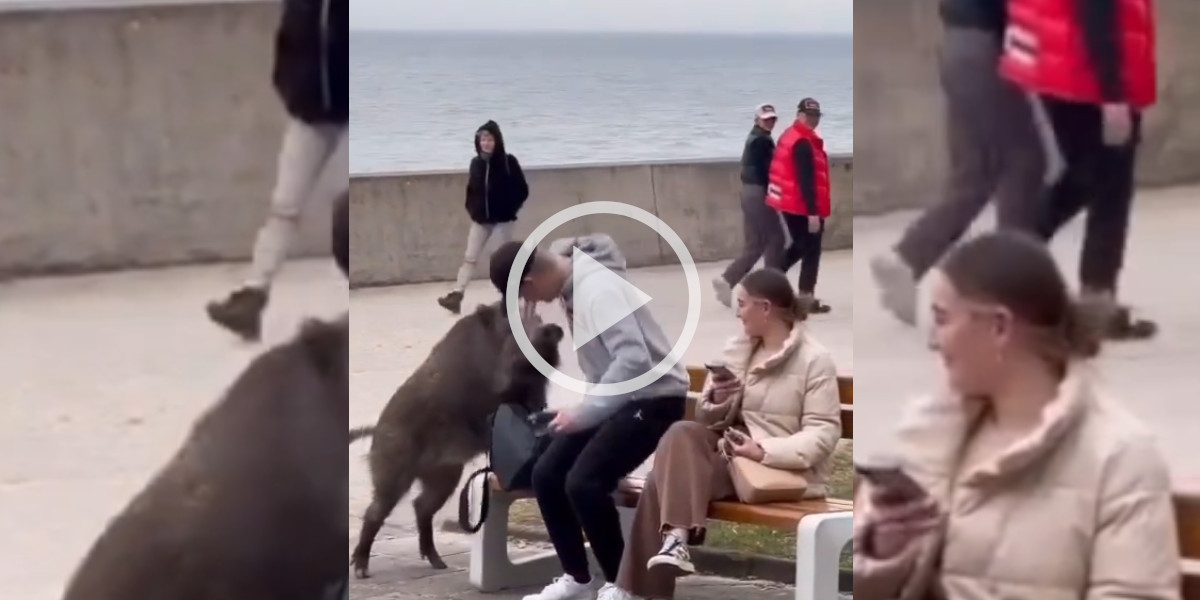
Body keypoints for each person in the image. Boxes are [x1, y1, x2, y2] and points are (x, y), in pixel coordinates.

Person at [854, 231, 1180, 599]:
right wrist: (887, 551)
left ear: (999, 327)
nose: (933, 340)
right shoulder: (928, 434)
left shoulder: (1121, 456)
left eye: (942, 319)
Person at [606, 268, 842, 600]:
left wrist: (761, 450)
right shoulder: (739, 349)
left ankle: (642, 586)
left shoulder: (814, 360)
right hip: (732, 458)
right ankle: (674, 543)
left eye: (742, 303)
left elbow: (823, 433)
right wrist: (719, 398)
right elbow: (707, 419)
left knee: (663, 476)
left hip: (778, 469)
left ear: (765, 308)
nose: (736, 312)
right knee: (681, 432)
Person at [487, 234, 690, 600]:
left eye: (524, 294)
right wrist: (583, 411)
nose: (530, 303)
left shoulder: (596, 289)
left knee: (584, 482)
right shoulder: (571, 281)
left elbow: (634, 362)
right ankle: (578, 579)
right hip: (619, 400)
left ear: (530, 281)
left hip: (655, 399)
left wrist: (586, 412)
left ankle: (625, 586)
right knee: (546, 473)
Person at [870, 0, 1046, 326]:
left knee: (974, 174)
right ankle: (1014, 287)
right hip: (988, 46)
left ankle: (907, 258)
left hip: (956, 46)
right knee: (1024, 162)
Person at [1001, 0, 1158, 340]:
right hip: (1087, 77)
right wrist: (1113, 97)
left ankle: (1010, 256)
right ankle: (1095, 304)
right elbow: (1098, 14)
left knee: (1083, 178)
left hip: (1060, 67)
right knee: (1111, 189)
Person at [206, 0, 348, 341]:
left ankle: (355, 299)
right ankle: (252, 297)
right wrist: (291, 90)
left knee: (349, 208)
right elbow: (286, 47)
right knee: (284, 206)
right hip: (309, 113)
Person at [437, 120, 530, 314]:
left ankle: (508, 298)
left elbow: (522, 189)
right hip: (481, 220)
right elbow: (471, 190)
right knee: (470, 257)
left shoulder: (508, 162)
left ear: (497, 141)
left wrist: (510, 207)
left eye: (489, 139)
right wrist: (473, 208)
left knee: (502, 261)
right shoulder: (476, 163)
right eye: (482, 139)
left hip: (503, 219)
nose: (486, 143)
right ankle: (457, 294)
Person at [712, 104, 784, 307]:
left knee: (755, 244)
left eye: (772, 119)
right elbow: (771, 172)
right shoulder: (762, 141)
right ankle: (773, 293)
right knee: (775, 239)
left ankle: (727, 280)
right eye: (766, 119)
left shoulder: (753, 138)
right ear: (757, 120)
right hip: (759, 193)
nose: (770, 122)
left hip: (748, 193)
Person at [766, 98, 833, 314]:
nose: (813, 120)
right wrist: (813, 213)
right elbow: (806, 180)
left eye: (816, 117)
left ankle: (770, 280)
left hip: (789, 203)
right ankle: (803, 297)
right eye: (809, 116)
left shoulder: (791, 134)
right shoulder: (803, 143)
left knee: (800, 246)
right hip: (802, 206)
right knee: (810, 250)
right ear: (799, 115)